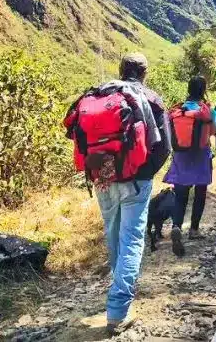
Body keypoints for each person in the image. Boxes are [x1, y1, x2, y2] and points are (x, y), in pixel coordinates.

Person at [65, 53, 171, 335]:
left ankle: (117, 294)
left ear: (121, 70)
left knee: (113, 235)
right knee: (131, 239)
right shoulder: (150, 98)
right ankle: (118, 310)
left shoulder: (101, 94)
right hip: (136, 180)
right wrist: (143, 171)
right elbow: (165, 147)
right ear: (144, 73)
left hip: (102, 178)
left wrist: (107, 169)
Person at [165, 76, 215, 257]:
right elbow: (213, 131)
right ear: (203, 90)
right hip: (201, 156)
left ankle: (177, 225)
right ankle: (194, 230)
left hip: (181, 157)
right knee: (200, 194)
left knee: (180, 196)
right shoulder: (206, 110)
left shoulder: (178, 110)